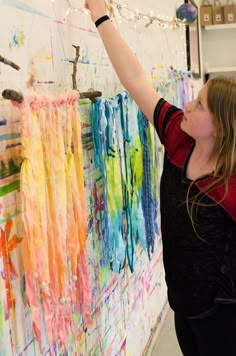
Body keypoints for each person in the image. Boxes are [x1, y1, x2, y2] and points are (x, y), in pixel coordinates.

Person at [84, 1, 236, 355]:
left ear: (220, 128)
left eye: (199, 105)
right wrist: (100, 16)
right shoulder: (179, 137)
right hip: (182, 306)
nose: (188, 106)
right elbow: (136, 80)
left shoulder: (229, 184)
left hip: (224, 316)